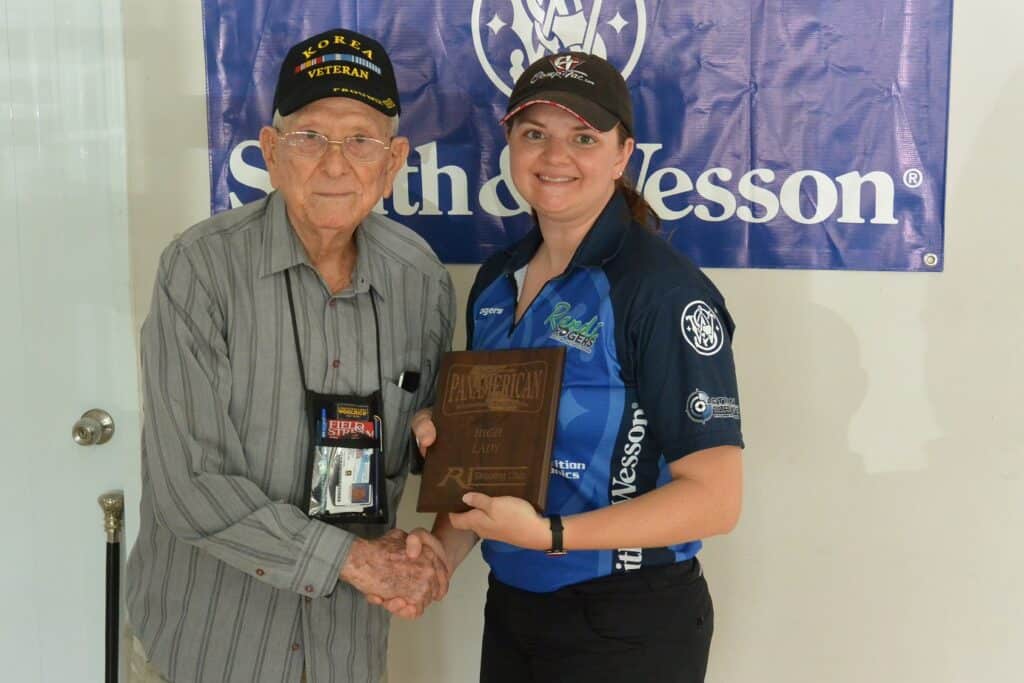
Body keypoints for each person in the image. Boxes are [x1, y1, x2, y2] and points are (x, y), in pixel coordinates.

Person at [383, 52, 745, 682]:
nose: (556, 157)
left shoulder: (660, 291)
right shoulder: (497, 281)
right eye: (535, 135)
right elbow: (492, 475)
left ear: (622, 154)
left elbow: (716, 499)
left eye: (583, 137)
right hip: (516, 611)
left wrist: (551, 534)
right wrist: (440, 551)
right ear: (510, 145)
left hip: (630, 624)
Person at [125, 28, 454, 683]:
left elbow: (424, 442)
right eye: (309, 138)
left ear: (393, 161)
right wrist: (356, 561)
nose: (335, 164)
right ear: (272, 153)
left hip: (344, 653)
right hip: (208, 650)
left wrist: (438, 445)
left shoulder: (423, 282)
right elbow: (192, 486)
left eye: (360, 140)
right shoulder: (199, 269)